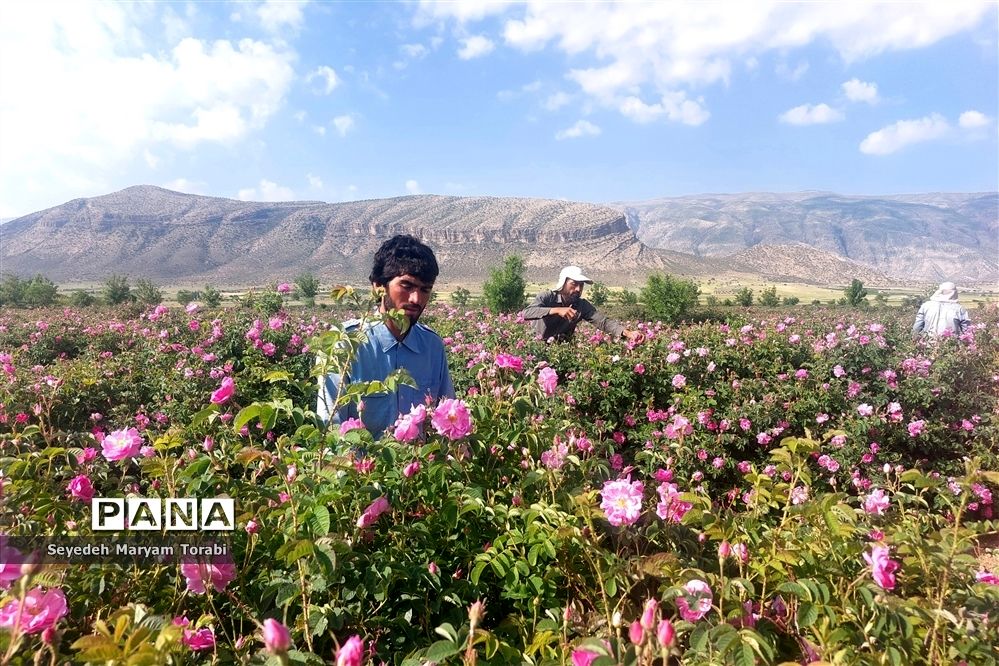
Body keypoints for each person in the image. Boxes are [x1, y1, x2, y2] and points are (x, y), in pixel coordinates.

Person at [317, 234, 455, 438]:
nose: (416, 299)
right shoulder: (344, 344)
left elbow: (446, 418)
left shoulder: (432, 346)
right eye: (407, 286)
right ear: (379, 287)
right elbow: (331, 432)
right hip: (362, 468)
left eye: (425, 290)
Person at [520, 266, 639, 343]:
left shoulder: (581, 305)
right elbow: (526, 313)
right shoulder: (547, 297)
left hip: (563, 351)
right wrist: (555, 310)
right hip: (536, 347)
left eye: (581, 285)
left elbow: (603, 322)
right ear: (563, 283)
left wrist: (627, 333)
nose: (578, 289)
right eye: (574, 284)